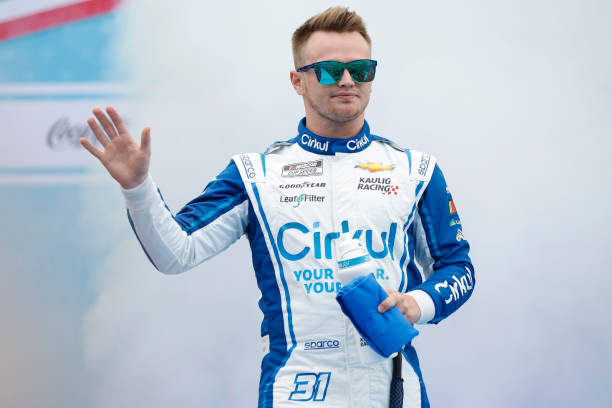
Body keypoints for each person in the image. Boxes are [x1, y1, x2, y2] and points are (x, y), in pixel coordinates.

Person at [80, 7, 475, 408]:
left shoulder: (415, 170)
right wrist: (137, 188)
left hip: (392, 390)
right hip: (296, 392)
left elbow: (458, 268)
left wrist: (416, 304)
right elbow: (175, 252)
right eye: (329, 71)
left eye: (361, 69)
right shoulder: (255, 175)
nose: (347, 80)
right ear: (297, 81)